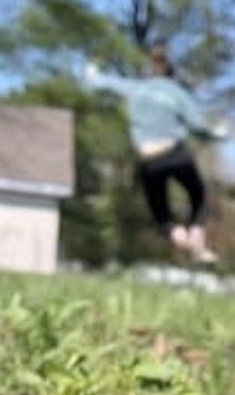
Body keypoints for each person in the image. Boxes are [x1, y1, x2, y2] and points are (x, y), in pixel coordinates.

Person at [84, 47, 227, 263]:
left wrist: (92, 70)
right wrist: (218, 134)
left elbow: (99, 82)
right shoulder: (177, 92)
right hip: (175, 153)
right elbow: (198, 126)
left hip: (149, 159)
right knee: (199, 197)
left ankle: (177, 235)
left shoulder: (135, 87)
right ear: (171, 75)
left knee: (162, 213)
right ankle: (197, 236)